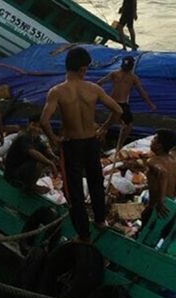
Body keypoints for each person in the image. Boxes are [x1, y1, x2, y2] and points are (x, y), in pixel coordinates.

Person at [40, 47, 123, 243]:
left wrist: (54, 139)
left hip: (71, 144)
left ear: (68, 66)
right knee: (96, 182)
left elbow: (44, 121)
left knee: (74, 190)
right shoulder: (93, 89)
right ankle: (100, 221)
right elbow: (118, 110)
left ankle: (83, 235)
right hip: (91, 141)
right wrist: (103, 129)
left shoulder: (57, 91)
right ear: (83, 69)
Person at [97, 56, 156, 150]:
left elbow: (100, 82)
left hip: (114, 102)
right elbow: (141, 92)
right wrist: (150, 104)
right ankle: (116, 144)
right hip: (119, 103)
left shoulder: (119, 75)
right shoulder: (128, 76)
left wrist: (102, 96)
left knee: (115, 122)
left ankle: (104, 135)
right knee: (126, 125)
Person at [4, 114, 57, 194]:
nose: (38, 130)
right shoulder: (24, 136)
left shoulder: (36, 138)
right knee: (41, 161)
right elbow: (32, 152)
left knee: (46, 159)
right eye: (35, 126)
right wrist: (50, 163)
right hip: (13, 173)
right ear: (30, 124)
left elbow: (45, 148)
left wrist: (53, 156)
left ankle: (31, 184)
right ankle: (31, 186)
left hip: (22, 169)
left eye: (40, 128)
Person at [146, 129, 176, 219]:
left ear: (160, 145)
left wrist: (160, 201)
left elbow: (163, 174)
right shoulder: (174, 162)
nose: (151, 141)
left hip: (156, 207)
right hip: (168, 209)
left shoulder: (153, 161)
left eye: (154, 139)